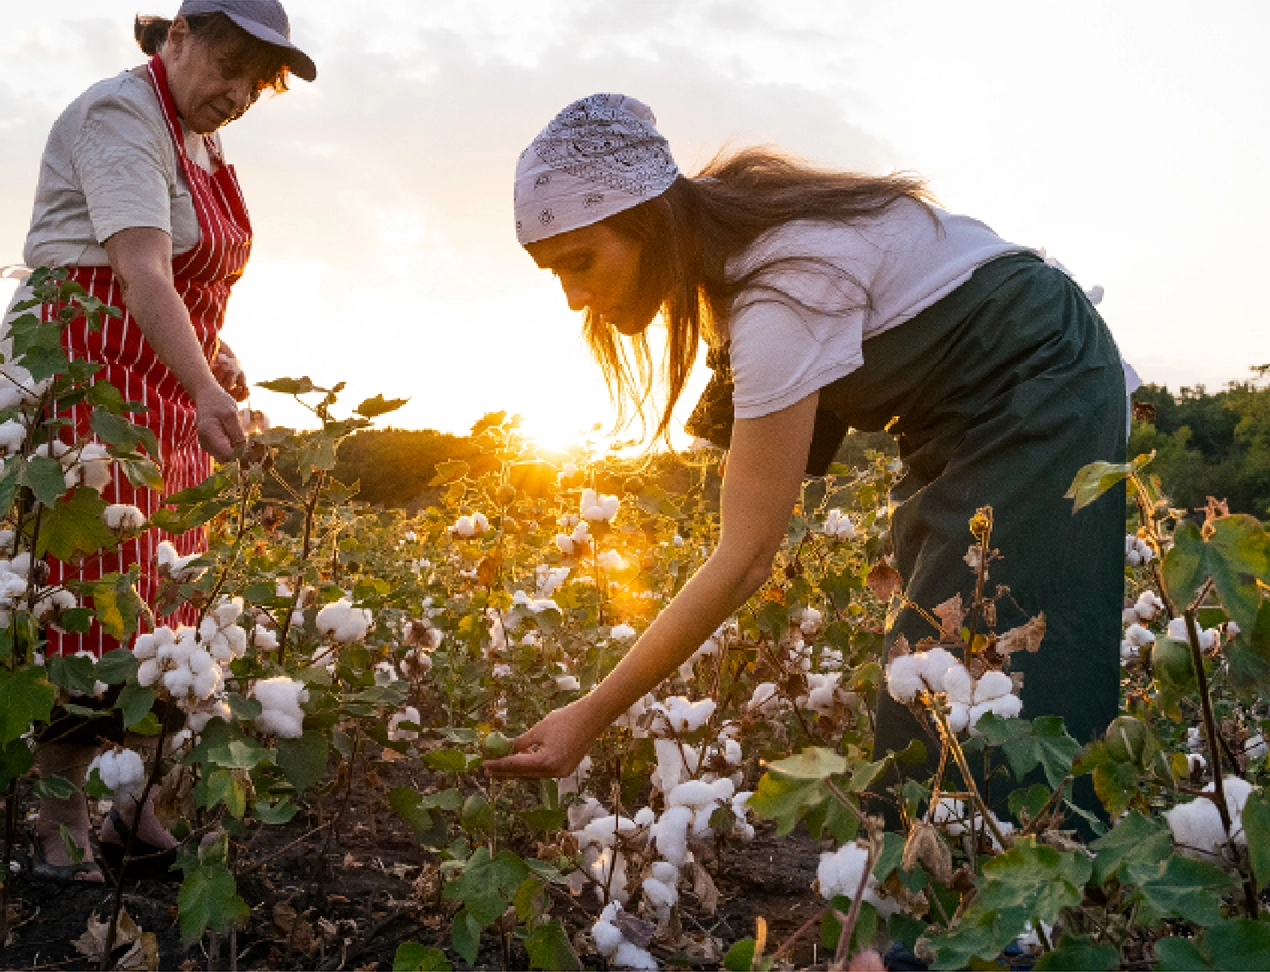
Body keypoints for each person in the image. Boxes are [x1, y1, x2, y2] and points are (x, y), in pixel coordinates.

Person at [483, 94, 1131, 818]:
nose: (575, 298)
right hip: (973, 409)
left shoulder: (780, 291)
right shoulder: (743, 261)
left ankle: (1012, 910)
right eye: (555, 275)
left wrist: (590, 714)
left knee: (968, 665)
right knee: (948, 655)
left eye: (581, 261)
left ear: (653, 224)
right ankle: (990, 893)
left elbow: (747, 556)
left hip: (1041, 385)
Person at [5, 0, 316, 881]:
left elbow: (185, 277)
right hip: (88, 389)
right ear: (176, 35)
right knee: (88, 603)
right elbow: (137, 265)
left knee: (165, 608)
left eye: (261, 83)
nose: (241, 94)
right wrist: (204, 382)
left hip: (162, 395)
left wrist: (213, 353)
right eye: (231, 67)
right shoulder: (120, 113)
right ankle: (58, 822)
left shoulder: (202, 140)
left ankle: (135, 809)